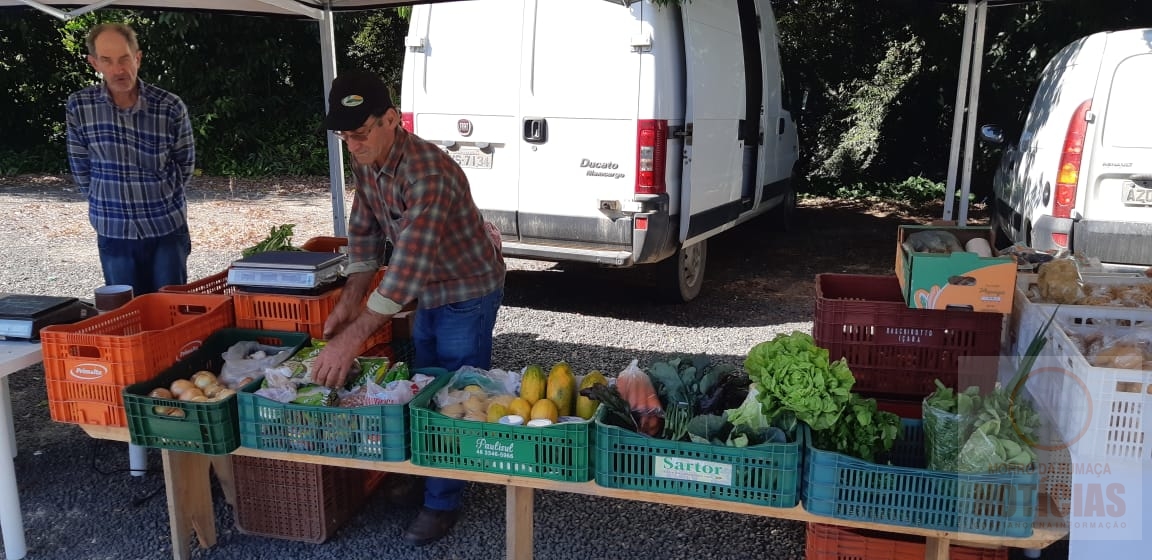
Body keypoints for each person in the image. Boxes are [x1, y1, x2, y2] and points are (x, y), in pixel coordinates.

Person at [310, 70, 505, 546]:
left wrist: (348, 340)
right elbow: (365, 233)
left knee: (457, 392)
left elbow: (406, 271)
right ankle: (431, 471)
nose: (352, 146)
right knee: (426, 380)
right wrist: (349, 302)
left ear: (392, 119)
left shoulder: (427, 173)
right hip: (427, 290)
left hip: (467, 288)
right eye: (344, 136)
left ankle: (443, 502)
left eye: (360, 134)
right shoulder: (367, 158)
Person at [65, 23, 195, 295]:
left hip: (166, 227)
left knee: (170, 312)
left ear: (137, 57)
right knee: (126, 316)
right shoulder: (80, 106)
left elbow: (185, 164)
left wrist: (160, 195)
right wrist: (107, 201)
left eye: (124, 58)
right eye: (107, 60)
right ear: (94, 63)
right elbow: (80, 167)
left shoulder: (169, 106)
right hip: (113, 229)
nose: (118, 69)